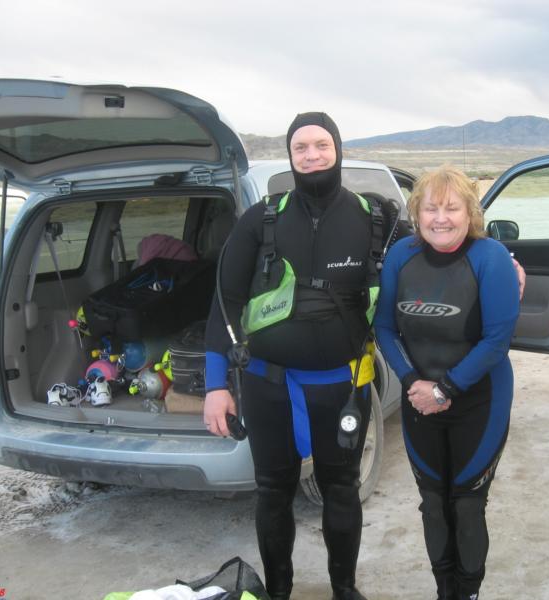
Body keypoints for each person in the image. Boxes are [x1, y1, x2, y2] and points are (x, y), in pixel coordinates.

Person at [203, 112, 387, 600]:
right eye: (300, 147)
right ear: (290, 155)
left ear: (338, 148)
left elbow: (438, 247)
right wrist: (216, 385)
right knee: (273, 491)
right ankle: (280, 592)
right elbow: (224, 301)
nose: (311, 155)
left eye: (320, 144)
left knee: (341, 489)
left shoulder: (374, 216)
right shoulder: (262, 218)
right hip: (269, 386)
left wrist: (498, 260)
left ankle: (344, 589)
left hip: (341, 388)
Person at [373, 165, 521, 600]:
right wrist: (413, 382)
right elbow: (384, 328)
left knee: (468, 505)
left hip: (480, 400)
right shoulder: (401, 255)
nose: (441, 218)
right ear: (417, 213)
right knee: (434, 506)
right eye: (431, 208)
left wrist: (446, 389)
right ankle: (445, 592)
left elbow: (497, 340)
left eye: (452, 208)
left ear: (469, 213)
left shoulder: (490, 258)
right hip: (420, 398)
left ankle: (468, 594)